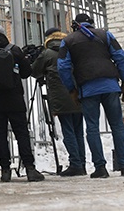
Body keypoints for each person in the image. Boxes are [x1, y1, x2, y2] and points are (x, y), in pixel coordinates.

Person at [57, 13, 124, 178]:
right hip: (110, 86)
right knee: (117, 126)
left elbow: (62, 67)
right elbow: (121, 58)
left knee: (92, 128)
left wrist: (71, 89)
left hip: (88, 89)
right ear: (91, 23)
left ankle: (100, 168)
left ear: (75, 25)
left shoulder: (68, 41)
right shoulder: (105, 34)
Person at [0, 24, 43, 183]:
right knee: (21, 133)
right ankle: (30, 169)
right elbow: (26, 73)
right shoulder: (15, 50)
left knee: (0, 134)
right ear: (4, 35)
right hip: (15, 99)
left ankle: (5, 170)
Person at [32, 27, 87, 176]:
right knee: (78, 132)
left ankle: (75, 164)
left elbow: (35, 71)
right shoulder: (72, 50)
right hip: (77, 94)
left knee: (68, 131)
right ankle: (81, 163)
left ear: (48, 39)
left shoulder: (47, 53)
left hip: (61, 97)